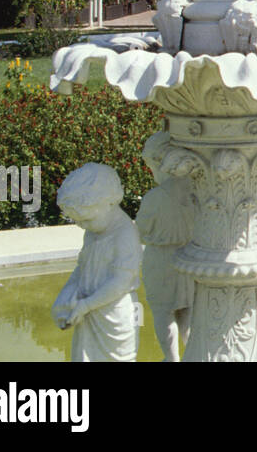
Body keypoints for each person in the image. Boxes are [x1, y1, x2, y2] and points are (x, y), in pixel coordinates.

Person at [51, 163, 142, 362]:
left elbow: (121, 282)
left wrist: (86, 305)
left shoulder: (125, 235)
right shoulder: (92, 232)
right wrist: (66, 297)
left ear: (109, 202)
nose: (82, 226)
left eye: (87, 219)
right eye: (78, 221)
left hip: (114, 315)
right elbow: (82, 268)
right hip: (88, 310)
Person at [135, 133, 194, 361]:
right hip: (189, 257)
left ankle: (171, 358)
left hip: (160, 260)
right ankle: (193, 354)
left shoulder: (154, 197)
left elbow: (141, 231)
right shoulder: (195, 192)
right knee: (187, 309)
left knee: (163, 312)